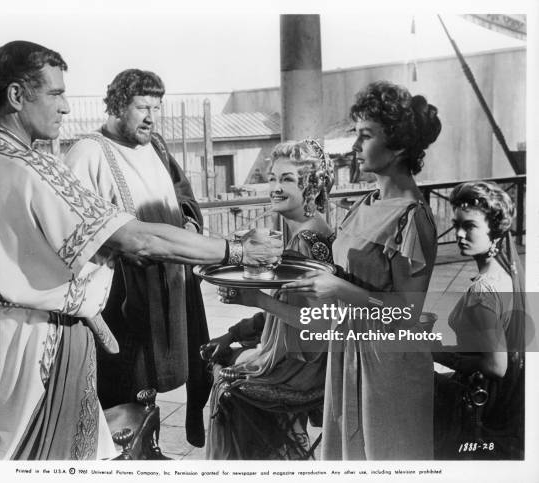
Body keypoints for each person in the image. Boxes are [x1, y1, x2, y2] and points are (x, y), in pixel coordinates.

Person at [0, 40, 281, 460]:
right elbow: (137, 238)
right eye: (55, 93)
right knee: (50, 458)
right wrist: (236, 250)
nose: (65, 107)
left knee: (9, 450)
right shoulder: (37, 167)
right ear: (16, 96)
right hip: (42, 342)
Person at [282, 81, 442, 459]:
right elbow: (340, 271)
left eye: (365, 135)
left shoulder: (411, 217)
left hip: (389, 367)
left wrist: (337, 289)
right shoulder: (366, 203)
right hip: (348, 351)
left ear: (399, 145)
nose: (355, 146)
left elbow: (407, 315)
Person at [64, 69, 209, 447]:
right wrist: (123, 250)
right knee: (130, 388)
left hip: (174, 277)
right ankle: (133, 450)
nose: (151, 116)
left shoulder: (156, 145)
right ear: (116, 106)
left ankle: (166, 436)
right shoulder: (88, 152)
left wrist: (190, 228)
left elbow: (183, 196)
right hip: (124, 291)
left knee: (185, 361)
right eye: (142, 106)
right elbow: (73, 229)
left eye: (156, 107)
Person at [203, 139, 335, 459]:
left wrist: (257, 299)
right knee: (224, 354)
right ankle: (281, 451)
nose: (275, 187)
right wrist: (233, 333)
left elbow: (319, 326)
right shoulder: (301, 234)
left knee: (223, 381)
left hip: (306, 370)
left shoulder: (309, 242)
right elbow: (286, 312)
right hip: (295, 357)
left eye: (287, 179)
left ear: (313, 188)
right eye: (273, 178)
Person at [432, 182, 525, 459]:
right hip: (498, 396)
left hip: (481, 401)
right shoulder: (505, 274)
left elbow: (496, 366)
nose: (459, 234)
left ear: (494, 230)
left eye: (470, 226)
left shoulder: (485, 290)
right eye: (456, 224)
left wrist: (439, 353)